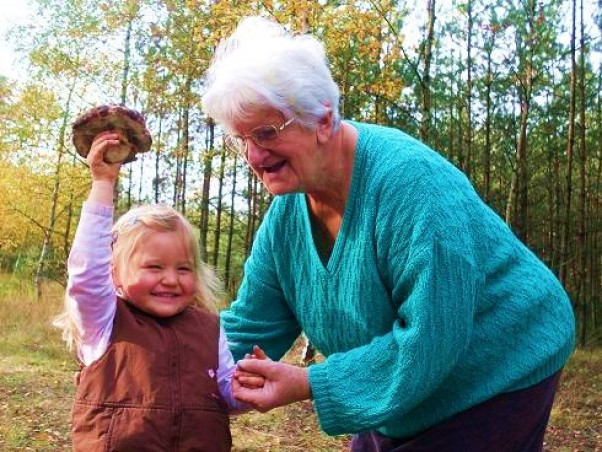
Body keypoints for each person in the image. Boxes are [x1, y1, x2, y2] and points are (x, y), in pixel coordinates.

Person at [200, 15, 576, 451]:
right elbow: (253, 321)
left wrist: (310, 383)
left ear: (323, 120)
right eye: (239, 138)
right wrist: (166, 363)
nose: (253, 154)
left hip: (499, 362)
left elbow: (429, 341)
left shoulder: (413, 186)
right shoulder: (287, 214)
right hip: (409, 377)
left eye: (266, 132)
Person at [54, 130, 261, 451]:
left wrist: (245, 388)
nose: (170, 279)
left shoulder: (208, 327)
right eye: (154, 267)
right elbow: (86, 271)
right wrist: (103, 183)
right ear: (115, 273)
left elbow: (224, 393)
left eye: (183, 268)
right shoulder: (104, 322)